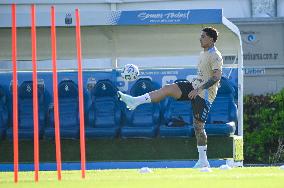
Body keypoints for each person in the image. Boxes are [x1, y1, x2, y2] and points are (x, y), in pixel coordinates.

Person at [118, 27, 223, 168]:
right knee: (169, 88)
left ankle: (203, 161)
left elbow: (216, 77)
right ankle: (135, 101)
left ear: (211, 39)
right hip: (193, 86)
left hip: (204, 94)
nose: (200, 38)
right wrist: (195, 87)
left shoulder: (215, 55)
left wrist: (199, 90)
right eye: (201, 36)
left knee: (198, 126)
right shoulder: (202, 53)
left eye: (203, 36)